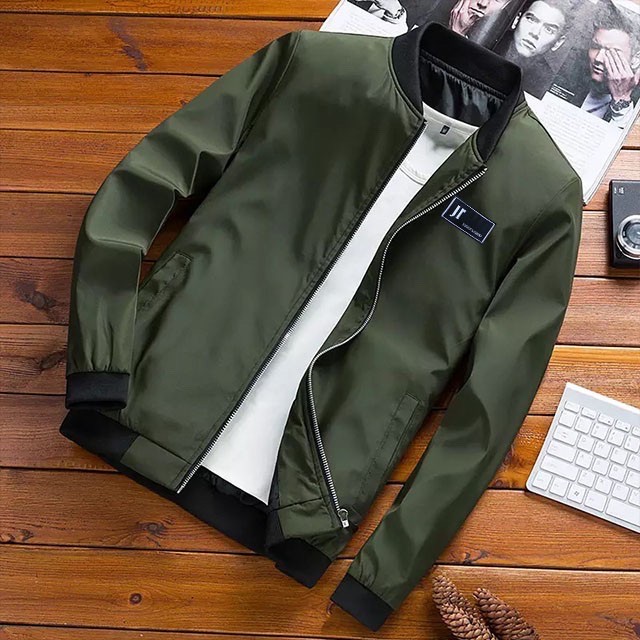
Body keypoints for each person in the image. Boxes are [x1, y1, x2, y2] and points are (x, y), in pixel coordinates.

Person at [496, 0, 573, 98]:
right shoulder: (489, 42)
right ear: (517, 19)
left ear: (558, 43)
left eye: (548, 30)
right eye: (531, 19)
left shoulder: (546, 80)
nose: (535, 33)